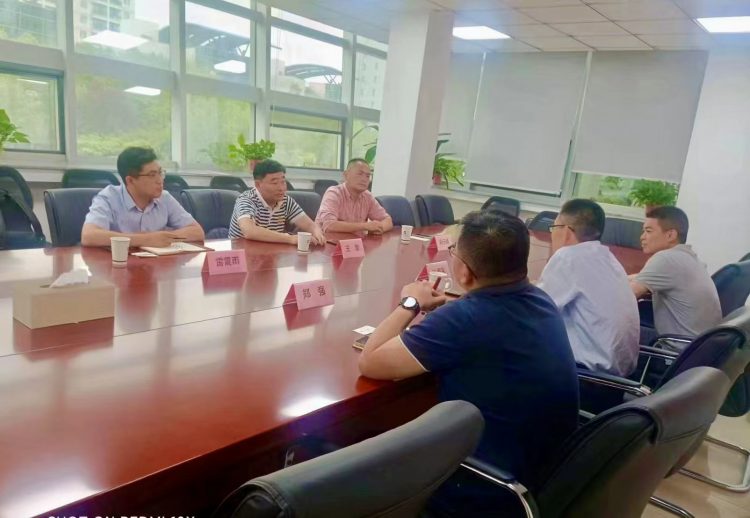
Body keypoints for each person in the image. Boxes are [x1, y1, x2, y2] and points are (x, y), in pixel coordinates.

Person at [358, 210, 578, 513]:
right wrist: (449, 310)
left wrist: (410, 302)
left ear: (464, 272)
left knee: (356, 446)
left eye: (453, 252)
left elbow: (370, 362)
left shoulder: (463, 320)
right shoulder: (540, 299)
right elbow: (485, 322)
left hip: (483, 486)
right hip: (544, 471)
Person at [538, 200, 640, 376]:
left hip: (586, 377)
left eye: (553, 228)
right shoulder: (608, 258)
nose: (552, 234)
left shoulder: (568, 257)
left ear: (566, 231)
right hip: (619, 375)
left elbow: (534, 311)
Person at [630, 206, 721, 344]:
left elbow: (625, 297)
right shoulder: (686, 258)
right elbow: (639, 278)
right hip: (697, 348)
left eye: (648, 231)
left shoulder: (666, 259)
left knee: (606, 332)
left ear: (670, 235)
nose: (642, 237)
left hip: (673, 349)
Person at [81, 147, 204, 247]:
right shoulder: (108, 197)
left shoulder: (164, 198)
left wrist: (164, 238)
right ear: (130, 180)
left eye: (160, 173)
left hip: (156, 265)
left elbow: (197, 231)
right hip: (119, 265)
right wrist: (145, 239)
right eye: (152, 175)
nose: (160, 180)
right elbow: (89, 236)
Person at [228, 159, 325, 246]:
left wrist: (317, 233)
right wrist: (290, 239)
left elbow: (309, 225)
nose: (281, 188)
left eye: (283, 182)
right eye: (274, 183)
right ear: (258, 184)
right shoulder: (246, 199)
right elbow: (249, 231)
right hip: (243, 255)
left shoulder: (286, 201)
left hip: (271, 254)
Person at [315, 159, 393, 234]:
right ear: (346, 175)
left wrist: (379, 228)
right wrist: (365, 226)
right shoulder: (334, 193)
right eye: (360, 174)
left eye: (367, 176)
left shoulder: (367, 196)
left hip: (355, 242)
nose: (364, 179)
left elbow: (387, 220)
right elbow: (329, 225)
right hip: (328, 241)